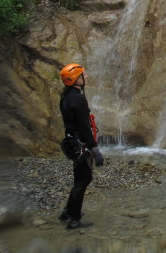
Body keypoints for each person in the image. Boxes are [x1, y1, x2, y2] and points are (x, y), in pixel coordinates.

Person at [58, 63, 104, 229]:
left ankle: (67, 212)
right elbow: (84, 127)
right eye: (83, 75)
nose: (87, 77)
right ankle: (74, 219)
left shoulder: (66, 97)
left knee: (80, 178)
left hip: (72, 141)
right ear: (76, 79)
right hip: (80, 143)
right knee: (84, 179)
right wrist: (95, 149)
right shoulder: (77, 98)